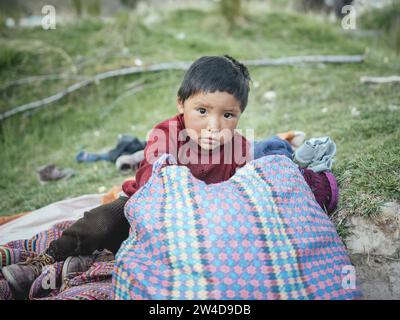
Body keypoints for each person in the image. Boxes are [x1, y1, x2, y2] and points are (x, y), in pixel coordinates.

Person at [1, 55, 337, 299]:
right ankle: (49, 257)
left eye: (228, 115)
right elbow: (150, 188)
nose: (213, 125)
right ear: (182, 104)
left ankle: (92, 264)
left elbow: (249, 188)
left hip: (196, 224)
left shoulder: (239, 147)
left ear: (240, 115)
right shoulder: (165, 135)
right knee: (103, 222)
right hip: (145, 211)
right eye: (202, 111)